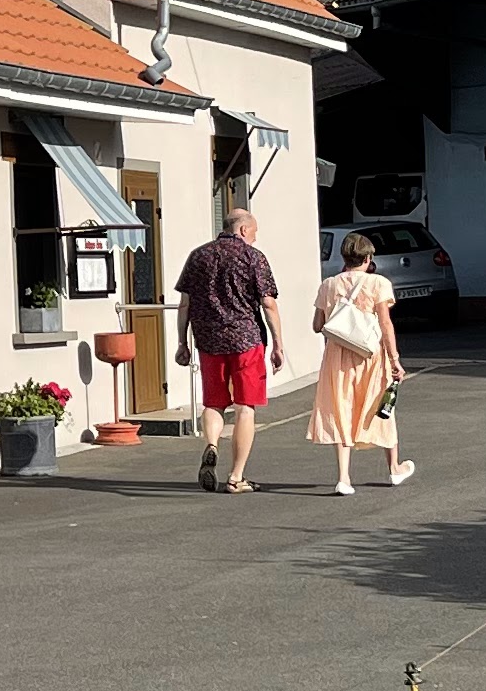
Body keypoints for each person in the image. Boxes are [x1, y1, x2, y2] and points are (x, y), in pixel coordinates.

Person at [172, 206, 286, 494]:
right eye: (254, 232)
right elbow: (268, 303)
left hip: (209, 340)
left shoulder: (198, 256)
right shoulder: (253, 257)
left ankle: (212, 444)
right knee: (245, 407)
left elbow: (185, 304)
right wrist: (278, 344)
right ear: (243, 229)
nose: (255, 238)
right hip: (246, 340)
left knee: (214, 403)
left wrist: (182, 342)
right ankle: (236, 476)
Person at [309, 232, 413, 495]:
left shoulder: (328, 285)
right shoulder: (379, 283)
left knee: (341, 408)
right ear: (367, 258)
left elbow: (318, 325)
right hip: (371, 355)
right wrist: (395, 359)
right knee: (381, 405)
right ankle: (394, 468)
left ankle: (343, 478)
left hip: (338, 356)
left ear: (344, 258)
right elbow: (385, 324)